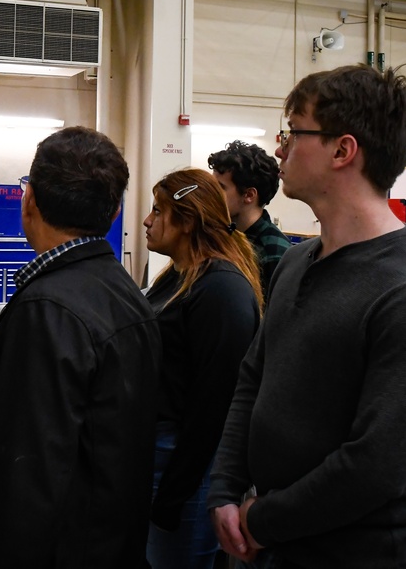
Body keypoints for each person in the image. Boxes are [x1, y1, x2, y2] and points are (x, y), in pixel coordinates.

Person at [208, 64, 406, 569]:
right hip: (271, 542)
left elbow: (377, 465)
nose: (280, 149)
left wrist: (261, 520)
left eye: (293, 132)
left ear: (343, 150)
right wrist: (224, 490)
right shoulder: (298, 261)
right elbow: (253, 379)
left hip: (363, 555)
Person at [0, 126, 162, 569]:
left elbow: (22, 479)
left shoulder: (47, 313)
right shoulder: (124, 293)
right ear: (115, 209)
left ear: (29, 203)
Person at [143, 168, 262, 569]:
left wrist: (175, 494)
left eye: (158, 211)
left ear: (188, 220)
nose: (147, 220)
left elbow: (214, 409)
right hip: (159, 455)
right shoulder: (175, 278)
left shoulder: (221, 290)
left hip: (187, 466)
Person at [207, 141, 292, 302]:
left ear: (249, 195)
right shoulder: (222, 236)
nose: (211, 194)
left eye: (220, 188)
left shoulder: (274, 253)